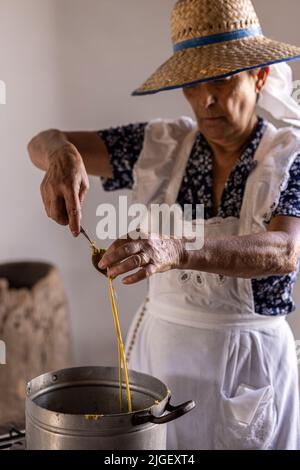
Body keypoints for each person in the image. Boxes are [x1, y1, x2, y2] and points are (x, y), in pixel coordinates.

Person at [28, 0, 300, 449]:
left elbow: (284, 250)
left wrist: (177, 250)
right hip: (161, 360)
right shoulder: (161, 145)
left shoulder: (288, 156)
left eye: (223, 79)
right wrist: (61, 155)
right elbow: (41, 141)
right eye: (195, 84)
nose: (206, 99)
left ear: (260, 76)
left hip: (248, 370)